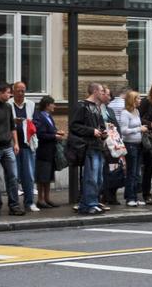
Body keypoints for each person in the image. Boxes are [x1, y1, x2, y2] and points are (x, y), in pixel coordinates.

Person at [0, 83, 25, 216]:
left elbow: (12, 126)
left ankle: (14, 205)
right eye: (8, 92)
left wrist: (16, 143)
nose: (10, 95)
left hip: (8, 146)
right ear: (0, 93)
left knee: (13, 177)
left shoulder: (8, 107)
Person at [71, 83, 106, 215]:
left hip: (97, 146)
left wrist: (103, 132)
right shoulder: (82, 106)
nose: (103, 93)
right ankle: (89, 204)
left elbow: (101, 126)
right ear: (95, 91)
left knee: (98, 178)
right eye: (101, 91)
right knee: (91, 177)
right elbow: (74, 126)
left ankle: (92, 202)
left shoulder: (97, 107)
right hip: (89, 146)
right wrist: (92, 131)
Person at [32, 96, 64, 208]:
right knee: (42, 177)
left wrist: (57, 132)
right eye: (52, 104)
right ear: (47, 105)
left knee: (49, 176)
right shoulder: (39, 116)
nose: (54, 106)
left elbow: (50, 130)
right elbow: (40, 134)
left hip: (50, 151)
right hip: (43, 151)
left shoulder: (49, 116)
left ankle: (47, 198)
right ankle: (40, 200)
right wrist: (55, 136)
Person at [11, 81, 38, 212]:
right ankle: (14, 203)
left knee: (29, 175)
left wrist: (29, 123)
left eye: (23, 91)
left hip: (27, 144)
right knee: (13, 176)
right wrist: (14, 121)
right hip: (12, 145)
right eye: (18, 91)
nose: (21, 93)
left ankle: (29, 202)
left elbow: (35, 122)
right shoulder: (8, 104)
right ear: (13, 91)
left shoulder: (31, 104)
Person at [119, 90, 147, 207]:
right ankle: (130, 197)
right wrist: (139, 129)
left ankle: (134, 197)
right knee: (132, 172)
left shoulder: (136, 111)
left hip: (138, 144)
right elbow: (123, 130)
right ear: (132, 100)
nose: (140, 100)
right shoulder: (125, 113)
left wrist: (142, 128)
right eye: (138, 98)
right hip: (130, 145)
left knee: (136, 173)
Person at [100, 85, 121, 208]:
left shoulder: (110, 110)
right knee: (104, 170)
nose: (109, 97)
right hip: (103, 144)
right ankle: (103, 195)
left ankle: (112, 195)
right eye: (107, 94)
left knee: (114, 169)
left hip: (113, 144)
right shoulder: (97, 109)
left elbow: (116, 125)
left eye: (109, 95)